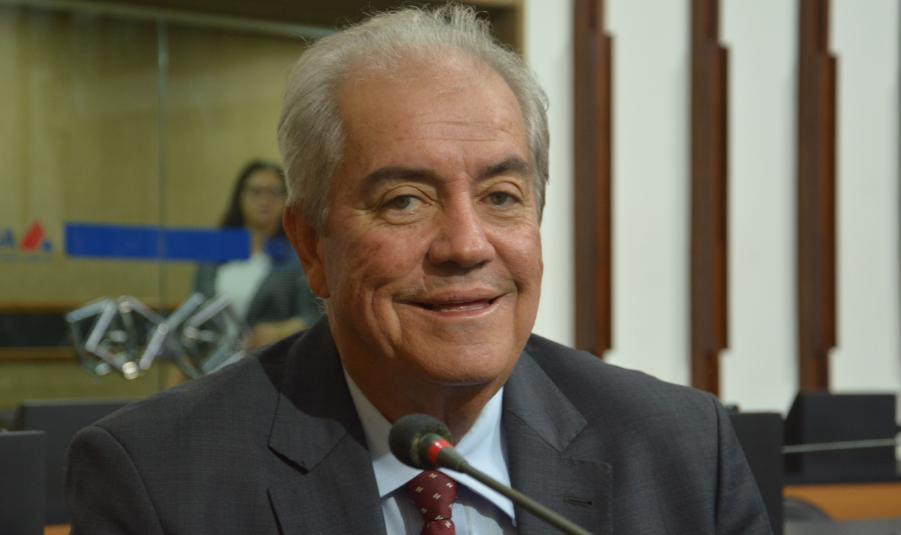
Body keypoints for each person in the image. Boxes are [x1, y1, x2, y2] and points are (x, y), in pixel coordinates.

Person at [65, 6, 772, 534]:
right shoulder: (158, 479)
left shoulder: (682, 450)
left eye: (502, 196)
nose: (466, 245)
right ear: (311, 246)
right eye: (404, 200)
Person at [193, 160, 322, 349]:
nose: (265, 200)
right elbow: (196, 316)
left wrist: (281, 331)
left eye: (275, 192)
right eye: (256, 192)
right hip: (214, 361)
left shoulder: (297, 257)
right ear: (239, 198)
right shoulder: (214, 254)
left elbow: (314, 316)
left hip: (269, 359)